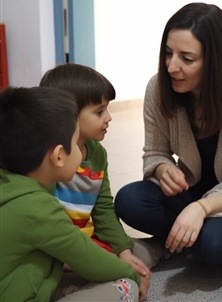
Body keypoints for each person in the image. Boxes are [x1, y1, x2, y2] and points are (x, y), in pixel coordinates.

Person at [114, 2, 222, 270]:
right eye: (168, 53)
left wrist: (200, 209)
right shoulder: (158, 87)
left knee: (213, 246)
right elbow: (154, 152)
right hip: (192, 190)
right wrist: (163, 168)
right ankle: (185, 239)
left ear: (214, 60)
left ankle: (184, 242)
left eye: (186, 59)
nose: (171, 67)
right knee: (128, 200)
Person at [0, 86, 149, 301]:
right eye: (76, 142)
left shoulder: (13, 185)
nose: (81, 150)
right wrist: (132, 275)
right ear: (59, 156)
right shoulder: (39, 208)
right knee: (126, 287)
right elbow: (85, 257)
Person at [39, 64, 150, 299]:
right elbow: (46, 230)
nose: (109, 117)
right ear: (69, 117)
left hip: (86, 240)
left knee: (133, 253)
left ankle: (162, 247)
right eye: (99, 112)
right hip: (55, 248)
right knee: (124, 275)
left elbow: (103, 210)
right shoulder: (46, 160)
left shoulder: (97, 154)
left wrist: (123, 249)